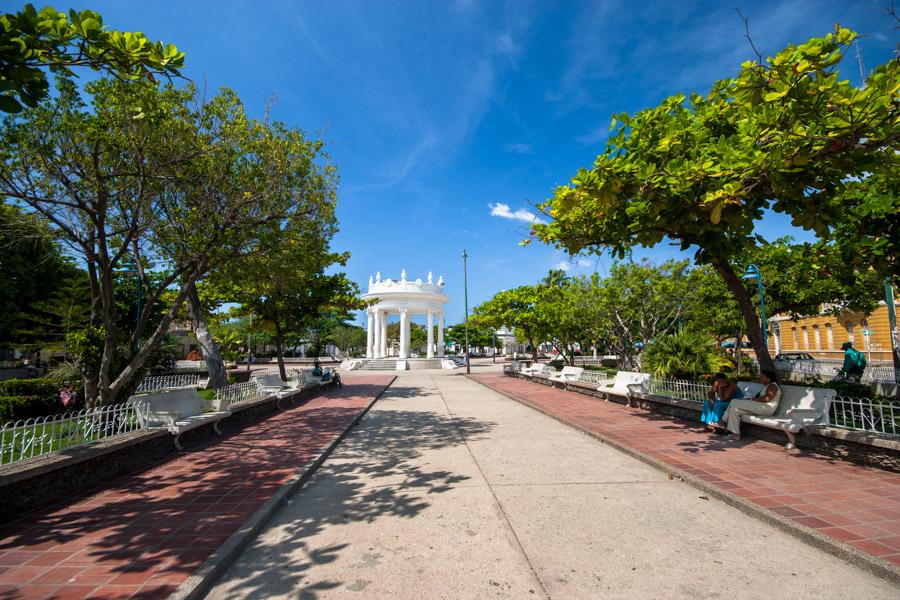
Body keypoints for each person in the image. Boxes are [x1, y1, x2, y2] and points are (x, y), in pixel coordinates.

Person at [720, 369, 781, 440]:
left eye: (762, 377)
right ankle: (735, 434)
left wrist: (751, 399)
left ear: (769, 378)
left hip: (767, 408)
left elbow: (766, 399)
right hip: (761, 406)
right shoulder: (767, 386)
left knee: (734, 401)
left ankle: (723, 420)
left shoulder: (772, 386)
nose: (760, 379)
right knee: (734, 410)